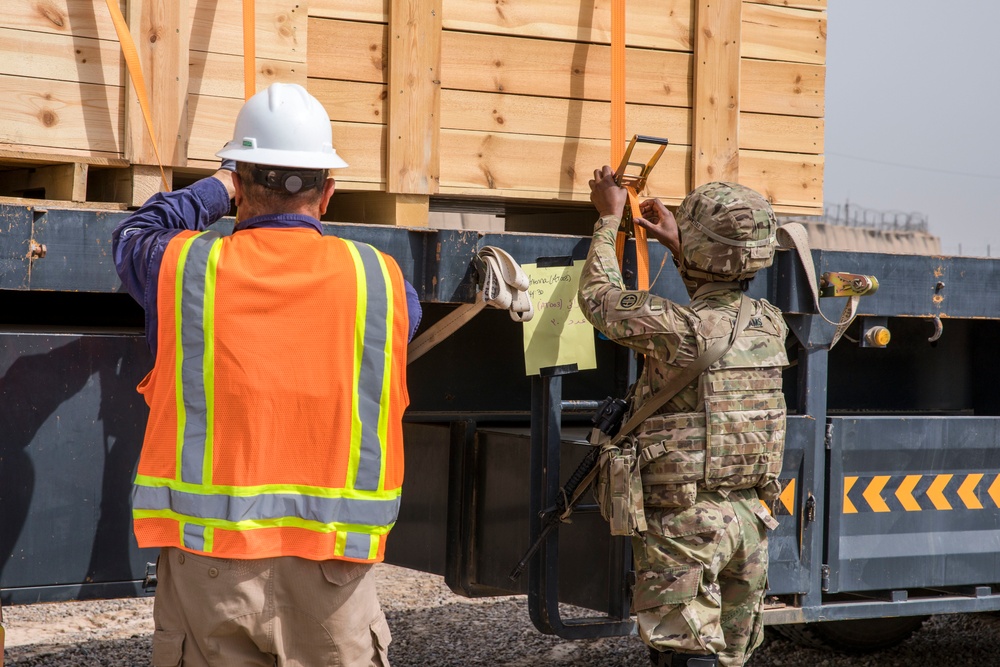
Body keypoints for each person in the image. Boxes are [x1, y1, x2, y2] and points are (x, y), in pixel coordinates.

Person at [112, 82, 421, 667]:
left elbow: (133, 235)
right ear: (327, 192)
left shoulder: (183, 272)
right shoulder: (382, 284)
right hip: (332, 568)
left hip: (209, 568)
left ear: (241, 185)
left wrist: (215, 187)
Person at [578, 166, 788, 667]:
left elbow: (600, 298)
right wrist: (684, 248)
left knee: (684, 651)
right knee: (730, 653)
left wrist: (609, 219)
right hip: (750, 519)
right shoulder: (769, 323)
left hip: (688, 523)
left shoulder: (680, 330)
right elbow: (719, 297)